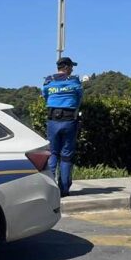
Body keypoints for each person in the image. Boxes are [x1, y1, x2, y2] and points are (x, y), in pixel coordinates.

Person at [42, 56, 83, 197]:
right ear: (66, 67)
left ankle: (50, 189)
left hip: (53, 120)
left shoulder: (49, 81)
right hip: (69, 121)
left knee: (53, 153)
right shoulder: (74, 81)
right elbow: (79, 98)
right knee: (66, 156)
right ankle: (64, 189)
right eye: (71, 67)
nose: (72, 69)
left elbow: (45, 96)